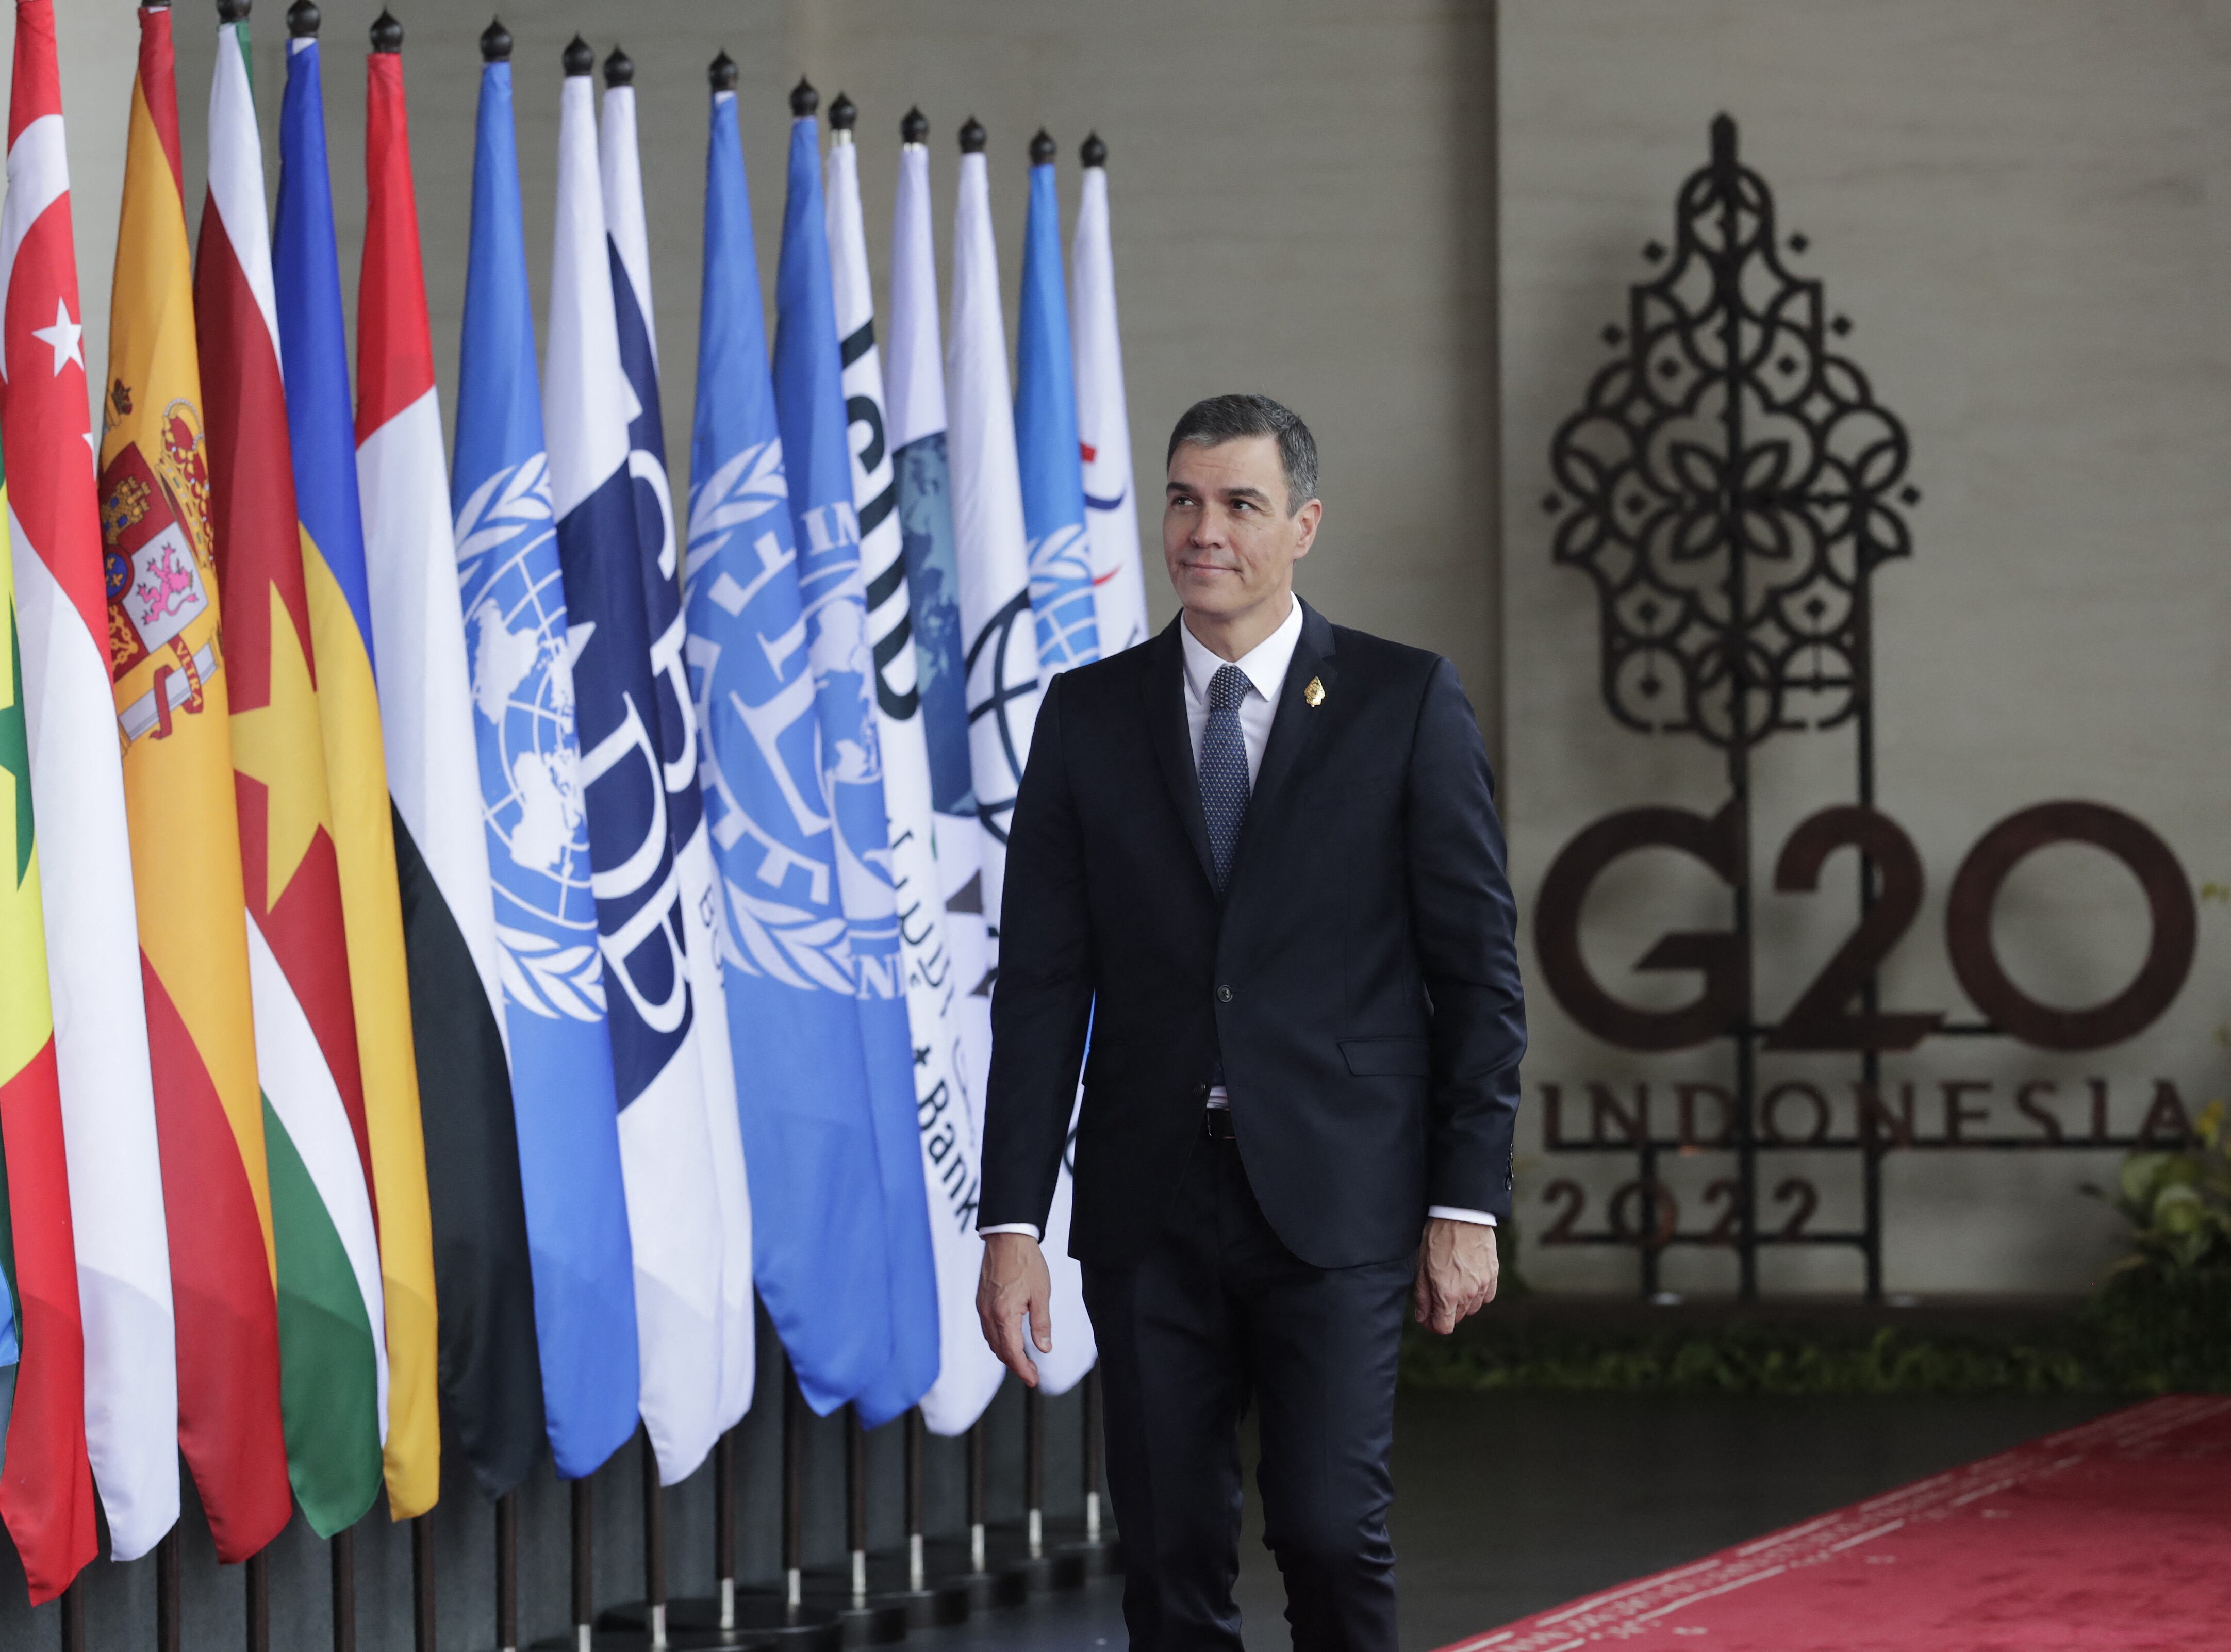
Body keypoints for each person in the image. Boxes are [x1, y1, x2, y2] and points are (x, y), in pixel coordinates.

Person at [976, 394, 1526, 1651]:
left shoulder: (1403, 702)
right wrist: (1012, 1221)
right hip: (1147, 1202)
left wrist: (1466, 1200)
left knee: (1329, 1531)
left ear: (1305, 525)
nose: (1202, 530)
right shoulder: (1087, 715)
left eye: (1238, 504)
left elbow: (1479, 976)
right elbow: (1044, 985)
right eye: (1182, 499)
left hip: (1338, 1198)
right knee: (1168, 1553)